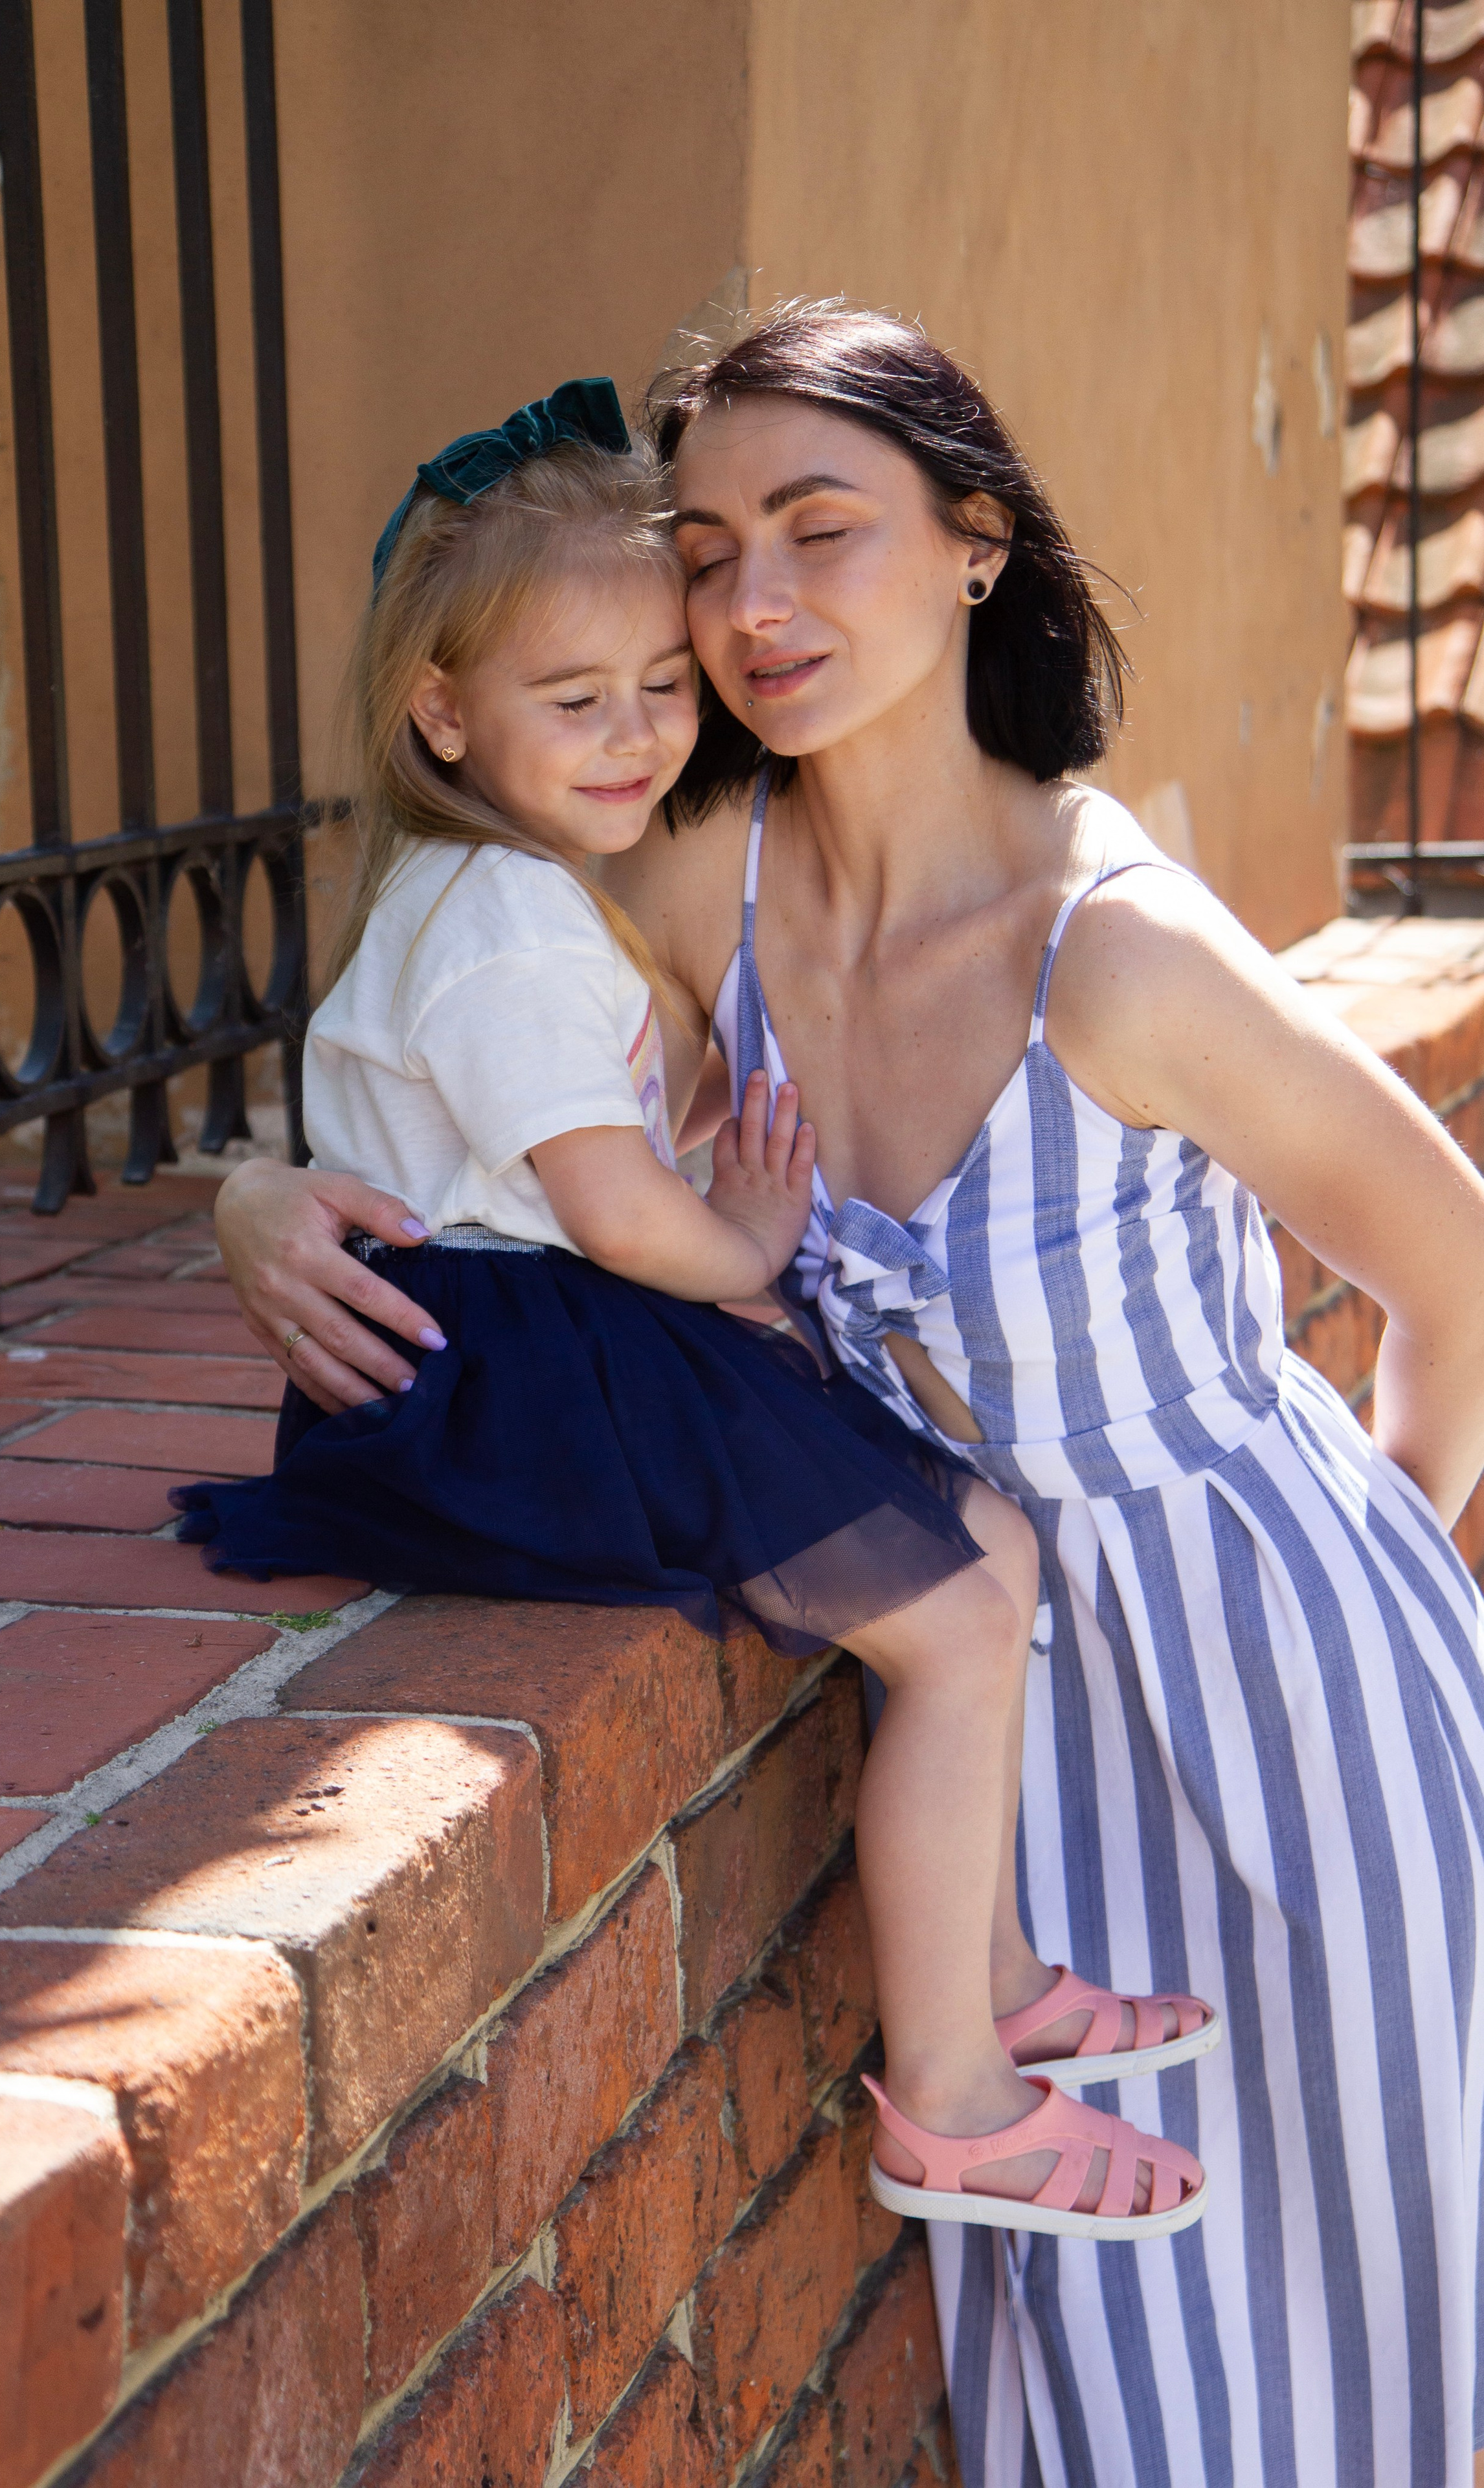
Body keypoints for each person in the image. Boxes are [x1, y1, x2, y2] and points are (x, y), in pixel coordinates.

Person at [216, 313, 1484, 2484]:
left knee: (1399, 2332)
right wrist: (251, 1197)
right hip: (997, 1786)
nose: (755, 606)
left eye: (824, 530)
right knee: (1130, 2398)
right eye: (708, 551)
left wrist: (1349, 1613)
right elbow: (432, 1035)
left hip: (1302, 1724)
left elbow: (1456, 1271)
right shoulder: (705, 884)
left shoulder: (1127, 954)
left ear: (975, 545)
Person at [175, 379, 1209, 2245]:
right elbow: (607, 1208)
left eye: (664, 683)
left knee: (977, 1547)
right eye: (578, 702)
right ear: (444, 713)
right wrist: (744, 1245)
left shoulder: (523, 879)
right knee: (968, 1617)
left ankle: (1003, 1969)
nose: (641, 732)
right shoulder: (499, 913)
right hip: (524, 1362)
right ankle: (959, 2096)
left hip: (554, 1335)